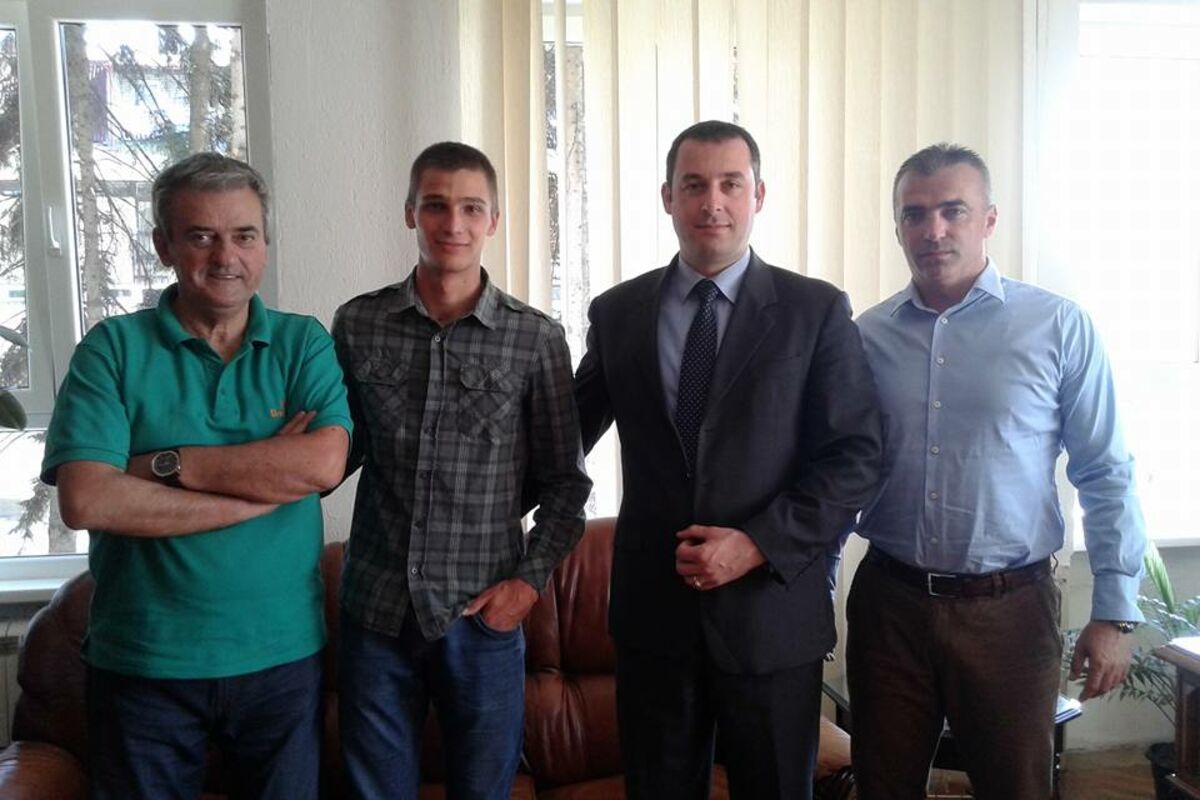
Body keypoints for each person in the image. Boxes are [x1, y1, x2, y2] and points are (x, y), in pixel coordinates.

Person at [573, 120, 883, 800]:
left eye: (730, 184)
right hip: (655, 620)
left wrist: (756, 544)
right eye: (693, 185)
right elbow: (561, 434)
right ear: (668, 197)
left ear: (757, 195)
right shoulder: (618, 312)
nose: (712, 202)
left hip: (771, 617)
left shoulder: (814, 311)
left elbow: (855, 458)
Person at [41, 152, 352, 800]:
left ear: (264, 244)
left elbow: (323, 463)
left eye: (244, 235)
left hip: (281, 659)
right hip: (143, 662)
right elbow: (89, 499)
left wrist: (168, 465)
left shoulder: (303, 344)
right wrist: (259, 493)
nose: (225, 256)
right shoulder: (111, 349)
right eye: (201, 236)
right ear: (164, 246)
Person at [848, 143, 1147, 799]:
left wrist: (1114, 614)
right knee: (882, 786)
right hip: (890, 608)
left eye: (953, 210)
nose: (933, 230)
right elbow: (840, 472)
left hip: (1009, 613)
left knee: (1016, 787)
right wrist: (814, 588)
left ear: (988, 218)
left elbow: (1105, 471)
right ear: (897, 227)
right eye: (914, 214)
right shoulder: (865, 338)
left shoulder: (1058, 326)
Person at [333, 141, 591, 800]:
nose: (454, 224)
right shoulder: (358, 324)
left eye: (472, 208)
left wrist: (527, 586)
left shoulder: (534, 339)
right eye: (436, 206)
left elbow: (567, 487)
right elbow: (336, 454)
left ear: (493, 221)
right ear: (410, 213)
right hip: (375, 614)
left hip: (480, 618)